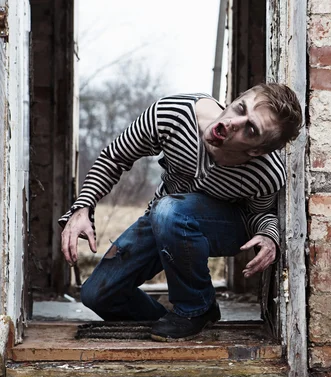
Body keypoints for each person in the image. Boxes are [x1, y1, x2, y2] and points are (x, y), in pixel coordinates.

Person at [59, 83, 303, 341]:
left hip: (224, 225)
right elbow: (114, 157)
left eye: (251, 128)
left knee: (170, 211)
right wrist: (82, 207)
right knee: (97, 294)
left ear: (256, 149)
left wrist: (268, 235)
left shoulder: (267, 173)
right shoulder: (173, 115)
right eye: (240, 108)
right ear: (235, 99)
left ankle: (196, 307)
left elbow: (260, 214)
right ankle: (180, 320)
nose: (233, 122)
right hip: (164, 218)